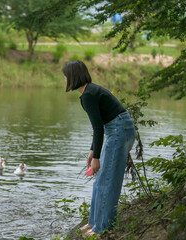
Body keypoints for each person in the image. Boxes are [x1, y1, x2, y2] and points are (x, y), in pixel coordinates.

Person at [62, 60, 136, 237]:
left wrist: (96, 158)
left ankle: (103, 228)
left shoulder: (88, 95)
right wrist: (92, 152)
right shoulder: (90, 91)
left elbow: (98, 128)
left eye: (65, 75)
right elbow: (99, 125)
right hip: (118, 129)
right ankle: (94, 222)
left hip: (118, 130)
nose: (63, 79)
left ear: (72, 77)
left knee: (108, 180)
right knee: (102, 179)